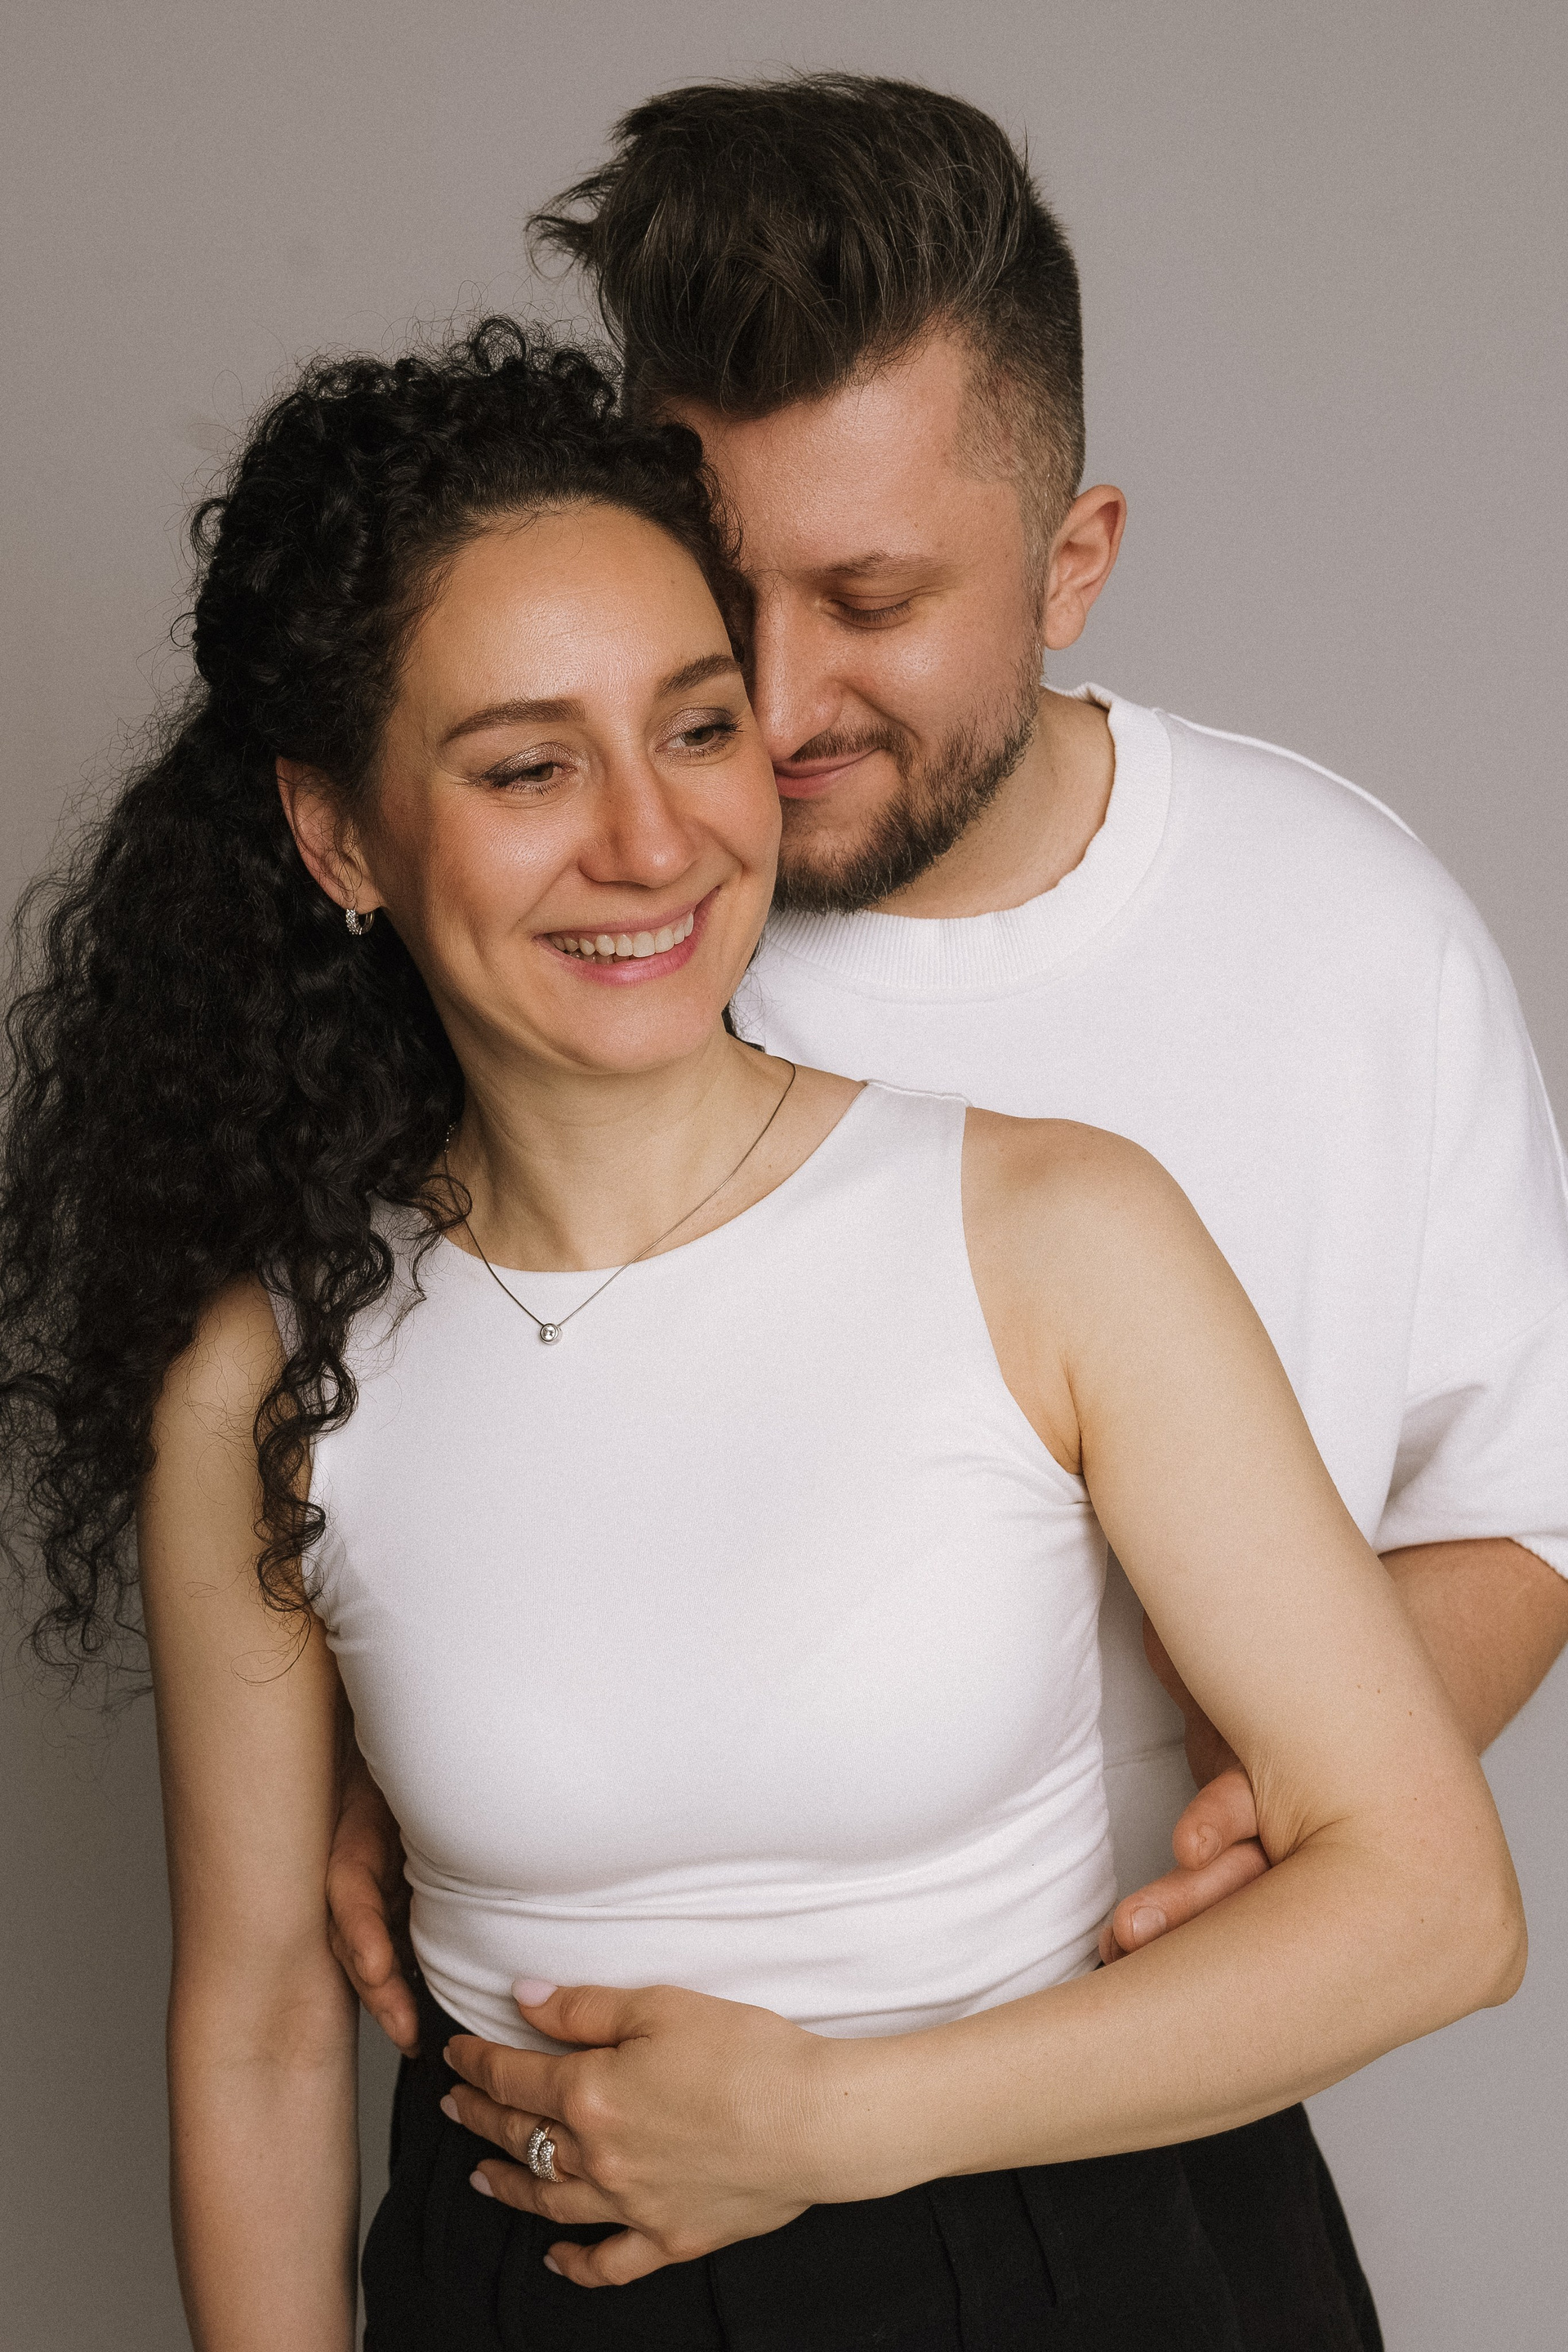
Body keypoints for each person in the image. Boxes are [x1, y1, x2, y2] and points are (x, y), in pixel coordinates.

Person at [0, 323, 1525, 2351]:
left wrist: (830, 2124)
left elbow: (1433, 1906)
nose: (652, 841)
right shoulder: (267, 1381)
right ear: (339, 835)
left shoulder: (1058, 1231)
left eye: (698, 728)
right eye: (529, 766)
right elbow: (264, 2023)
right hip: (523, 2288)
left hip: (1068, 2264)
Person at [327, 74, 1568, 2350]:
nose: (777, 697)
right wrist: (374, 1739)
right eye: (721, 591)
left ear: (1074, 563)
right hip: (584, 2182)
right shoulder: (577, 941)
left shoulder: (1345, 937)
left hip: (1121, 2094)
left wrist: (1297, 1796)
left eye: (874, 600)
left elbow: (1514, 1488)